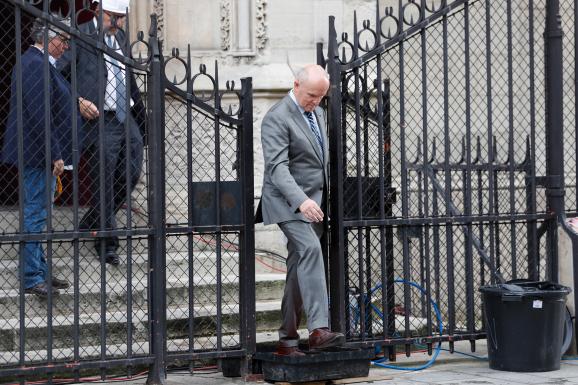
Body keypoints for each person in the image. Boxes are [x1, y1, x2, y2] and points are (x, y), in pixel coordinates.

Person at [257, 64, 345, 356]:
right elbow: (277, 169)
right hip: (286, 202)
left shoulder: (317, 112)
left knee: (297, 270)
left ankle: (287, 340)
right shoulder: (276, 118)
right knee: (310, 250)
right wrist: (301, 201)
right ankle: (319, 330)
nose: (315, 102)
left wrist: (319, 199)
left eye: (321, 97)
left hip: (314, 203)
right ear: (296, 85)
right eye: (311, 95)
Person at [57, 0, 145, 266]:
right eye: (112, 16)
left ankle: (94, 217)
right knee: (104, 179)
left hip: (125, 115)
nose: (117, 22)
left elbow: (127, 79)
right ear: (97, 10)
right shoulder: (81, 34)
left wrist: (141, 117)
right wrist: (78, 100)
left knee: (132, 170)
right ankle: (106, 242)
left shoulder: (119, 38)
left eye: (121, 17)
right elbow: (57, 74)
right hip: (100, 118)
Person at [1, 18, 75, 296]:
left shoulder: (39, 63)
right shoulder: (34, 64)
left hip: (38, 151)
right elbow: (39, 114)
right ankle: (32, 276)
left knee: (39, 212)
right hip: (37, 153)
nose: (65, 46)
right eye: (63, 40)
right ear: (48, 38)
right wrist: (54, 154)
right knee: (34, 212)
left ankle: (40, 270)